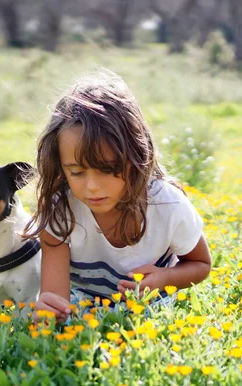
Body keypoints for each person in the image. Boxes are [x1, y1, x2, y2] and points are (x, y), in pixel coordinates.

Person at [24, 69, 211, 323]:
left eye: (107, 170)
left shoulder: (169, 205)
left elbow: (200, 265)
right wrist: (51, 309)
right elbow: (57, 297)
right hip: (86, 303)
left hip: (149, 301)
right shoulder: (61, 209)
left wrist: (164, 278)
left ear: (136, 156)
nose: (92, 186)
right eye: (77, 172)